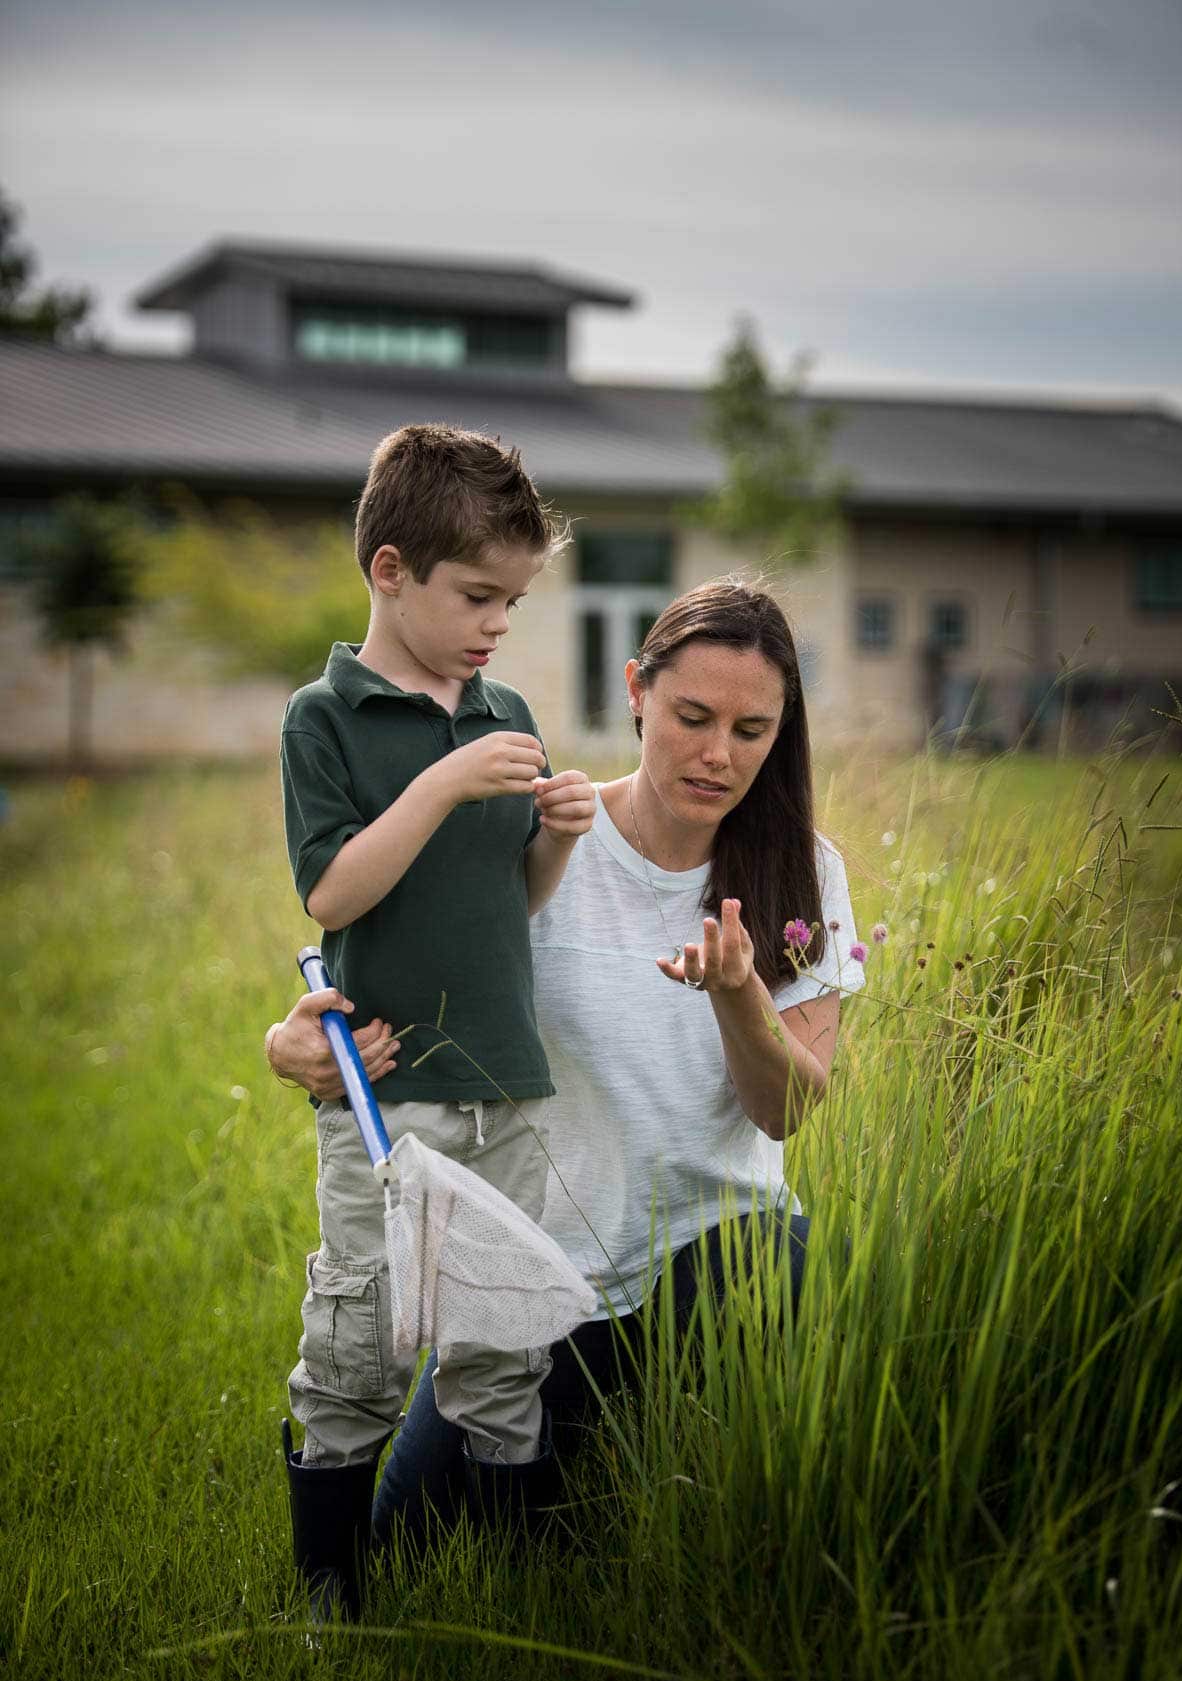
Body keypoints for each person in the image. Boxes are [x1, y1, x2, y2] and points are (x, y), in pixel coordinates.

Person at [268, 579, 865, 1567]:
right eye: (692, 717)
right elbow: (382, 987)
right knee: (419, 1545)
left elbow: (787, 1109)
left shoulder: (805, 873)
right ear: (635, 690)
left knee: (764, 1278)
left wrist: (738, 993)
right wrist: (288, 1047)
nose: (718, 755)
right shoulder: (543, 830)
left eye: (752, 730)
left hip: (716, 1263)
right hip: (539, 1280)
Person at [276, 423, 596, 1619]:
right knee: (363, 1340)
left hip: (503, 1080)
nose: (494, 626)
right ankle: (331, 1598)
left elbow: (510, 903)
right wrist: (442, 781)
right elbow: (332, 891)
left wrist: (555, 837)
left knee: (499, 1344)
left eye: (510, 603)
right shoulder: (325, 716)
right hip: (387, 1092)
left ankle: (509, 1597)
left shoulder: (503, 706)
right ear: (391, 570)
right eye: (476, 596)